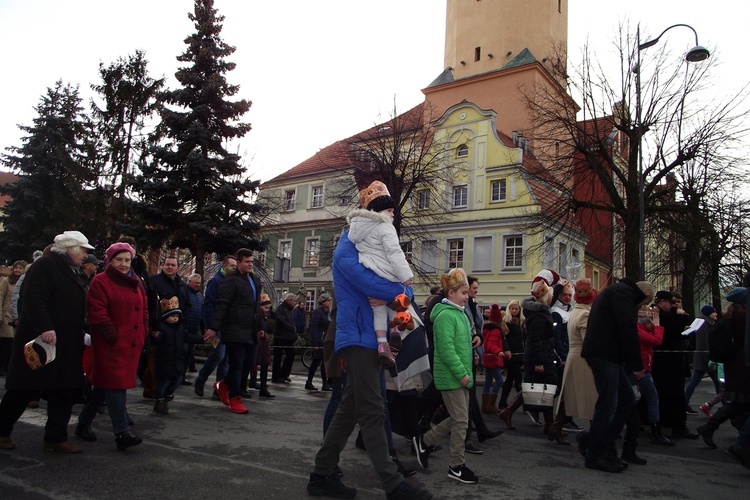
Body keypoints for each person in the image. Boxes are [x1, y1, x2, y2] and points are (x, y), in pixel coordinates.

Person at [306, 228, 431, 500]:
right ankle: (393, 483)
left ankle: (321, 474)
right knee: (374, 409)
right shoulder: (346, 249)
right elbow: (382, 285)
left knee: (349, 409)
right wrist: (396, 290)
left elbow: (405, 285)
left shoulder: (374, 248)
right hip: (358, 336)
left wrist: (397, 290)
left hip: (373, 337)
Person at [0, 231, 94, 453]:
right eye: (83, 250)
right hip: (41, 341)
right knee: (23, 389)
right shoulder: (45, 265)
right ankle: (1, 431)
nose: (86, 255)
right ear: (70, 248)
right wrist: (45, 327)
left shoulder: (70, 270)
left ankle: (55, 438)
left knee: (64, 389)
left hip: (66, 343)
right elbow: (34, 299)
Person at [412, 268, 478, 484]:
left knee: (461, 419)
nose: (467, 297)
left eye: (467, 293)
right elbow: (446, 350)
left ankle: (425, 441)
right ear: (451, 293)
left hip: (459, 375)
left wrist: (472, 355)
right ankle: (456, 466)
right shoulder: (445, 316)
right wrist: (462, 373)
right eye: (464, 293)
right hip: (452, 377)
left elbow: (460, 345)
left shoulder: (458, 313)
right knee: (461, 422)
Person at [580, 278, 652, 473]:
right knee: (610, 404)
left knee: (623, 400)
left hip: (605, 353)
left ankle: (596, 442)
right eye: (645, 303)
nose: (643, 307)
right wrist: (637, 365)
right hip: (604, 354)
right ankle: (596, 453)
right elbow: (627, 328)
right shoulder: (623, 294)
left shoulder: (617, 292)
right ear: (644, 296)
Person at [81, 242, 148, 449]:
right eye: (119, 260)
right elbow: (98, 314)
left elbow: (144, 308)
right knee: (116, 385)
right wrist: (113, 337)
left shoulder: (136, 281)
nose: (123, 264)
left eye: (127, 260)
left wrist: (143, 332)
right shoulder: (101, 282)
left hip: (131, 344)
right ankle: (122, 433)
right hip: (111, 345)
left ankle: (82, 424)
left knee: (104, 387)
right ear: (110, 260)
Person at [347, 180, 414, 368]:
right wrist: (405, 275)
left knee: (378, 309)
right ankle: (396, 333)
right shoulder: (385, 226)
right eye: (390, 211)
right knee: (397, 302)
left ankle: (382, 345)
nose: (393, 214)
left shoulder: (358, 229)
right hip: (388, 272)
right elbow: (394, 252)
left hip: (370, 274)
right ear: (381, 210)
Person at [204, 248, 261, 415]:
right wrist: (213, 327)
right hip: (234, 329)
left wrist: (261, 327)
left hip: (250, 330)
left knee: (248, 364)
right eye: (247, 262)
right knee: (236, 364)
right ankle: (235, 398)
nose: (250, 264)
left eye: (252, 262)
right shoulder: (230, 281)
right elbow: (222, 305)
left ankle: (223, 384)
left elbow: (256, 306)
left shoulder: (255, 281)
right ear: (239, 263)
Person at [696, 287, 750, 449]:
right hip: (742, 366)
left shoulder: (731, 318)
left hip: (735, 366)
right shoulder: (743, 319)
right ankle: (738, 437)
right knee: (739, 403)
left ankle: (711, 428)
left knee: (738, 403)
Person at [651, 290, 698, 439]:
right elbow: (670, 331)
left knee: (667, 393)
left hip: (670, 359)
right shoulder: (659, 315)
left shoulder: (663, 314)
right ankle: (676, 425)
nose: (674, 306)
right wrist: (682, 318)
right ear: (664, 302)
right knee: (673, 393)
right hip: (667, 360)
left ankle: (669, 421)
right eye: (672, 303)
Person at [146, 256, 190, 398]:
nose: (170, 267)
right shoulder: (154, 281)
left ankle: (160, 389)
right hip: (160, 326)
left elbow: (185, 304)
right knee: (155, 361)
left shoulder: (181, 284)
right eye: (167, 264)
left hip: (177, 328)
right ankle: (155, 390)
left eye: (173, 265)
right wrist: (153, 326)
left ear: (177, 267)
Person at [151, 296, 203, 414]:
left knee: (178, 379)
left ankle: (167, 395)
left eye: (176, 316)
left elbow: (189, 337)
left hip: (178, 360)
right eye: (172, 316)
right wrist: (155, 336)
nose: (175, 319)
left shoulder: (180, 328)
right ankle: (159, 400)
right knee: (164, 381)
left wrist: (202, 339)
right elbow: (157, 341)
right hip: (164, 360)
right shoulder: (162, 328)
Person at [193, 256, 236, 399]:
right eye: (232, 266)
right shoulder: (216, 281)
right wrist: (211, 326)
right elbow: (209, 304)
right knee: (219, 354)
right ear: (224, 266)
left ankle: (218, 389)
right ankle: (201, 379)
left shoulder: (232, 282)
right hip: (217, 326)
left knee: (225, 359)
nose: (234, 269)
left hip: (228, 326)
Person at [558, 278, 597, 424]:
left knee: (569, 396)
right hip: (582, 358)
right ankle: (596, 434)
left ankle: (558, 426)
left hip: (574, 355)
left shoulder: (575, 312)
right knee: (590, 397)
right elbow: (588, 341)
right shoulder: (585, 315)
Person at [635, 314, 674, 446]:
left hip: (642, 368)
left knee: (634, 398)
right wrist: (658, 327)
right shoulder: (639, 330)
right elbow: (657, 340)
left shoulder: (639, 329)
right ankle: (656, 432)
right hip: (642, 369)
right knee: (652, 397)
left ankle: (632, 422)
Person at [684, 305, 721, 411]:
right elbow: (703, 344)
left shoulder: (706, 323)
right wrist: (709, 359)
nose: (716, 314)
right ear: (708, 314)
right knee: (714, 381)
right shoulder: (704, 324)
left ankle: (685, 402)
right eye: (714, 312)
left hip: (705, 358)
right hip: (704, 358)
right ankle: (685, 402)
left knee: (713, 381)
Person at [0, 260, 26, 376]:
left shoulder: (25, 281)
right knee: (6, 342)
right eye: (16, 268)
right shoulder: (6, 281)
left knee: (13, 344)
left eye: (20, 268)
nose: (18, 270)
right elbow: (1, 297)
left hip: (17, 317)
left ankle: (8, 366)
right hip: (6, 315)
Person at [498, 300, 524, 410]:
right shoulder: (506, 321)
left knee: (510, 380)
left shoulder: (521, 322)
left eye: (516, 309)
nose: (514, 311)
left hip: (519, 353)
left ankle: (503, 402)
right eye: (512, 308)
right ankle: (525, 403)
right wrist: (507, 350)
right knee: (518, 380)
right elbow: (504, 338)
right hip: (511, 354)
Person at [481, 304, 506, 414]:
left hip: (487, 358)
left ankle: (485, 405)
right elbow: (491, 344)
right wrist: (499, 352)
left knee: (488, 381)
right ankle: (491, 404)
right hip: (493, 358)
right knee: (499, 380)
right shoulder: (496, 331)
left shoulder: (487, 330)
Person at [306, 293, 332, 391]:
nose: (329, 303)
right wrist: (315, 342)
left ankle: (324, 383)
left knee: (322, 362)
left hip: (325, 340)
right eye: (328, 301)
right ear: (323, 302)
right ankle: (310, 382)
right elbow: (314, 327)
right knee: (316, 361)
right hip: (319, 340)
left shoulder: (327, 313)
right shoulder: (318, 312)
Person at [272, 293, 298, 384]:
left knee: (291, 354)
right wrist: (291, 327)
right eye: (293, 301)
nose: (295, 303)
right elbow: (282, 321)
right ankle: (276, 376)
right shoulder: (281, 309)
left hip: (288, 336)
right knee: (278, 357)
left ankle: (284, 374)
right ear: (288, 301)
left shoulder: (290, 310)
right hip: (280, 335)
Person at [184, 273, 205, 377]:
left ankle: (182, 375)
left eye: (199, 283)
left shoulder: (200, 296)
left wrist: (203, 329)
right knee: (183, 352)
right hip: (185, 328)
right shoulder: (184, 292)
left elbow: (202, 313)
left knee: (189, 353)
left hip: (194, 328)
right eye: (195, 283)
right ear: (189, 282)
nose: (197, 285)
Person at [255, 294, 275, 399]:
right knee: (254, 365)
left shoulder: (265, 316)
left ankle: (263, 387)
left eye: (268, 308)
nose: (267, 310)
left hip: (263, 343)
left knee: (264, 364)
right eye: (265, 307)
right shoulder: (259, 315)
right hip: (259, 342)